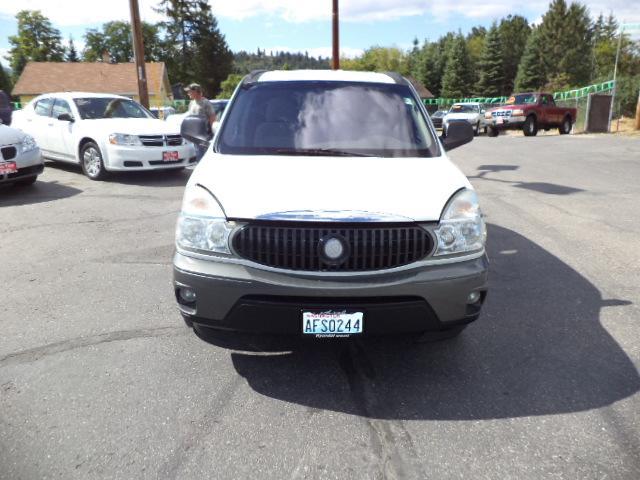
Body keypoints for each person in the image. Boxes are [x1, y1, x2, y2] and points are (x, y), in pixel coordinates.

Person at [185, 83, 216, 161]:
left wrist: (212, 131)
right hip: (194, 133)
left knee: (203, 154)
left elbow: (212, 116)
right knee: (198, 153)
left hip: (204, 133)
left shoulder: (205, 102)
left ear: (195, 91)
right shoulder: (191, 103)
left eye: (189, 91)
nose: (188, 93)